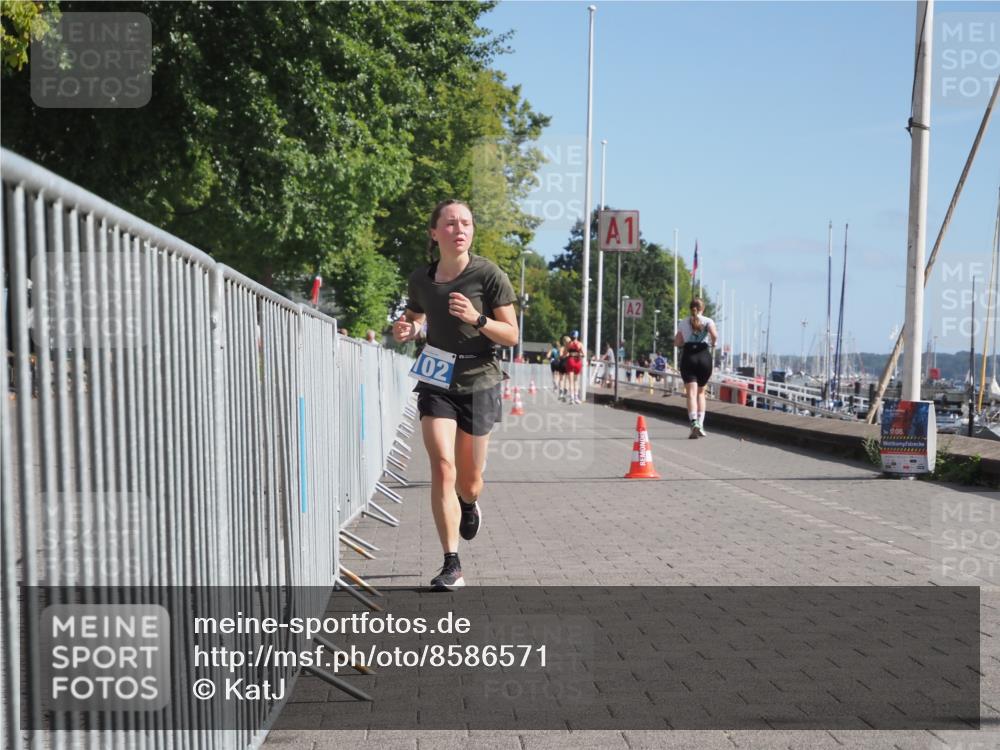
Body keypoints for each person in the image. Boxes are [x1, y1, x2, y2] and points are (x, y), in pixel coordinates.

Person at [392, 200, 518, 590]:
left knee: (470, 480)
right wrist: (408, 330)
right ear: (434, 233)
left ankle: (468, 503)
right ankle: (451, 563)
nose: (459, 229)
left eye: (465, 223)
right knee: (442, 467)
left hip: (480, 378)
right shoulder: (421, 279)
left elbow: (512, 335)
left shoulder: (489, 275)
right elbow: (415, 319)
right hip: (437, 377)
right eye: (450, 224)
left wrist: (477, 319)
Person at [673, 297, 718, 438]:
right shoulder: (708, 321)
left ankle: (693, 423)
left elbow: (678, 342)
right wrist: (713, 343)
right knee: (700, 393)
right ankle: (701, 424)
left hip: (689, 358)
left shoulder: (683, 322)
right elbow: (714, 336)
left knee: (691, 393)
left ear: (690, 308)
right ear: (702, 309)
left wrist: (683, 340)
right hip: (704, 358)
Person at [563, 330, 584, 404]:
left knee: (571, 381)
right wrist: (577, 354)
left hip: (570, 361)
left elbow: (564, 354)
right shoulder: (580, 344)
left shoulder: (568, 344)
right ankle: (576, 398)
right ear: (577, 336)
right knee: (576, 381)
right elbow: (583, 354)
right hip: (577, 362)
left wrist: (569, 354)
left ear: (571, 336)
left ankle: (571, 398)